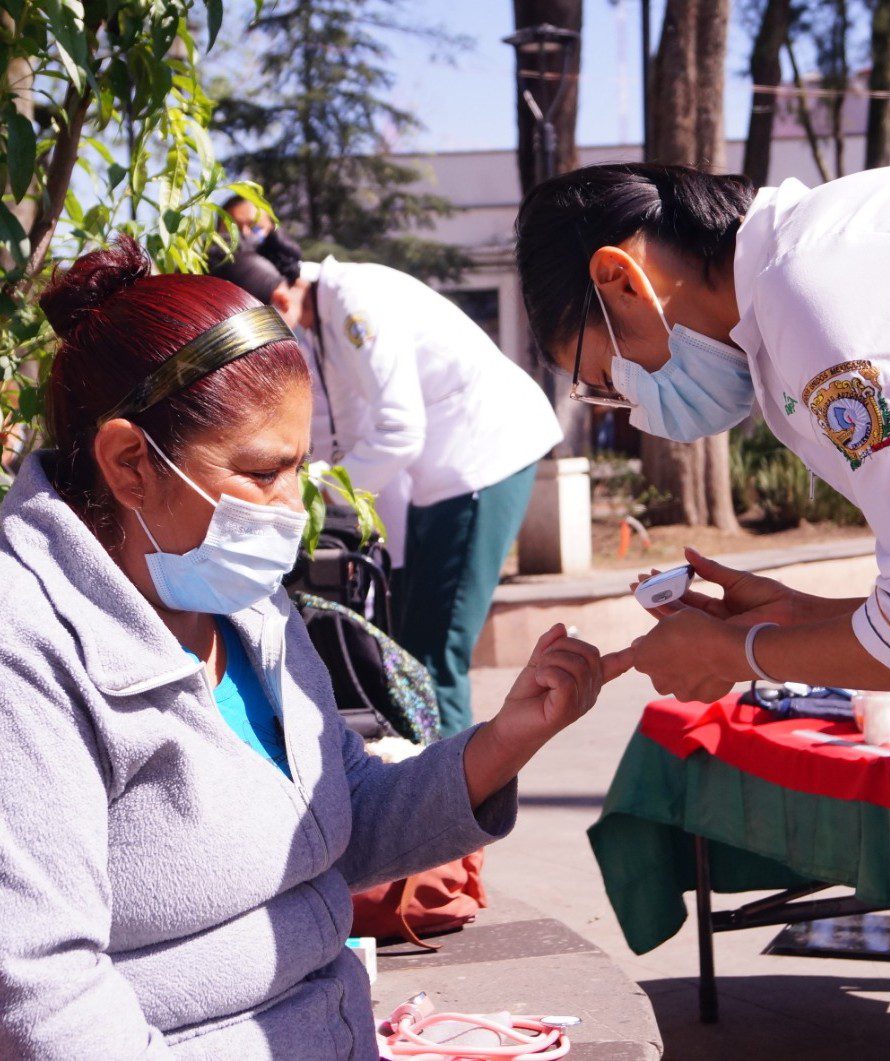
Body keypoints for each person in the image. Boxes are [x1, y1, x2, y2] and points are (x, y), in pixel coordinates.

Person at [0, 236, 629, 1058]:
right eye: (263, 473)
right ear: (128, 463)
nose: (289, 510)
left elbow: (332, 821)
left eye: (300, 468)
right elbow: (44, 997)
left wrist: (505, 740)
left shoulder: (246, 607)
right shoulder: (28, 653)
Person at [514, 160, 890, 1057]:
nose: (633, 410)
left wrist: (744, 655)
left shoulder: (817, 288)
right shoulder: (819, 268)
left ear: (620, 276)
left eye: (607, 378)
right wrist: (802, 611)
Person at [213, 224, 563, 736]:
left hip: (481, 461)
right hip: (439, 478)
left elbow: (398, 432)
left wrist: (308, 494)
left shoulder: (356, 304)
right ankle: (432, 786)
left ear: (281, 299)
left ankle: (455, 803)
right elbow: (348, 433)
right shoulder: (321, 314)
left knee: (436, 655)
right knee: (412, 649)